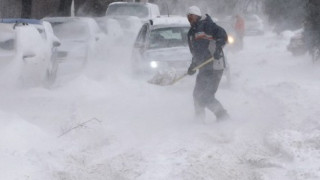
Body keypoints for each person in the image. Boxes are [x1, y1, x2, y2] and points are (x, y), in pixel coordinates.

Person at [186, 6, 229, 122]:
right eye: (188, 17)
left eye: (192, 16)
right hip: (204, 68)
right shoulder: (191, 33)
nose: (190, 19)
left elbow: (223, 35)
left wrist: (218, 49)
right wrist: (193, 66)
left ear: (198, 16)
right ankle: (199, 120)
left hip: (215, 66)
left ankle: (223, 117)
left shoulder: (207, 25)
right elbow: (196, 52)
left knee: (206, 96)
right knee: (197, 95)